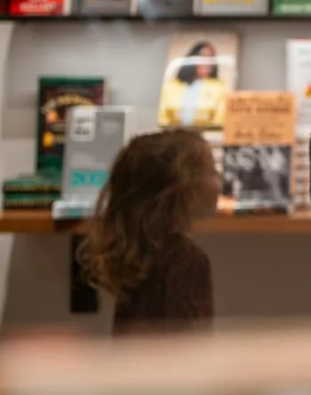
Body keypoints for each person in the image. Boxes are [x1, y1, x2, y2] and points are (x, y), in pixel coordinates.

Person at [78, 129, 219, 335]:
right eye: (212, 171)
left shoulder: (139, 252)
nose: (219, 180)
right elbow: (187, 347)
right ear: (186, 189)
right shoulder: (187, 260)